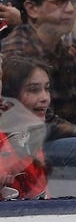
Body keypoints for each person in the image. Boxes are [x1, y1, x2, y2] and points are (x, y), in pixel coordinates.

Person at [2, 0, 76, 171]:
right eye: (60, 1)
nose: (71, 9)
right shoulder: (15, 54)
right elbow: (28, 122)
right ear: (32, 8)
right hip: (20, 149)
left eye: (74, 2)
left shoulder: (71, 55)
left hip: (61, 138)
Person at [0, 57, 50, 199]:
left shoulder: (29, 136)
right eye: (34, 90)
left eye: (47, 88)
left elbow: (43, 200)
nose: (45, 97)